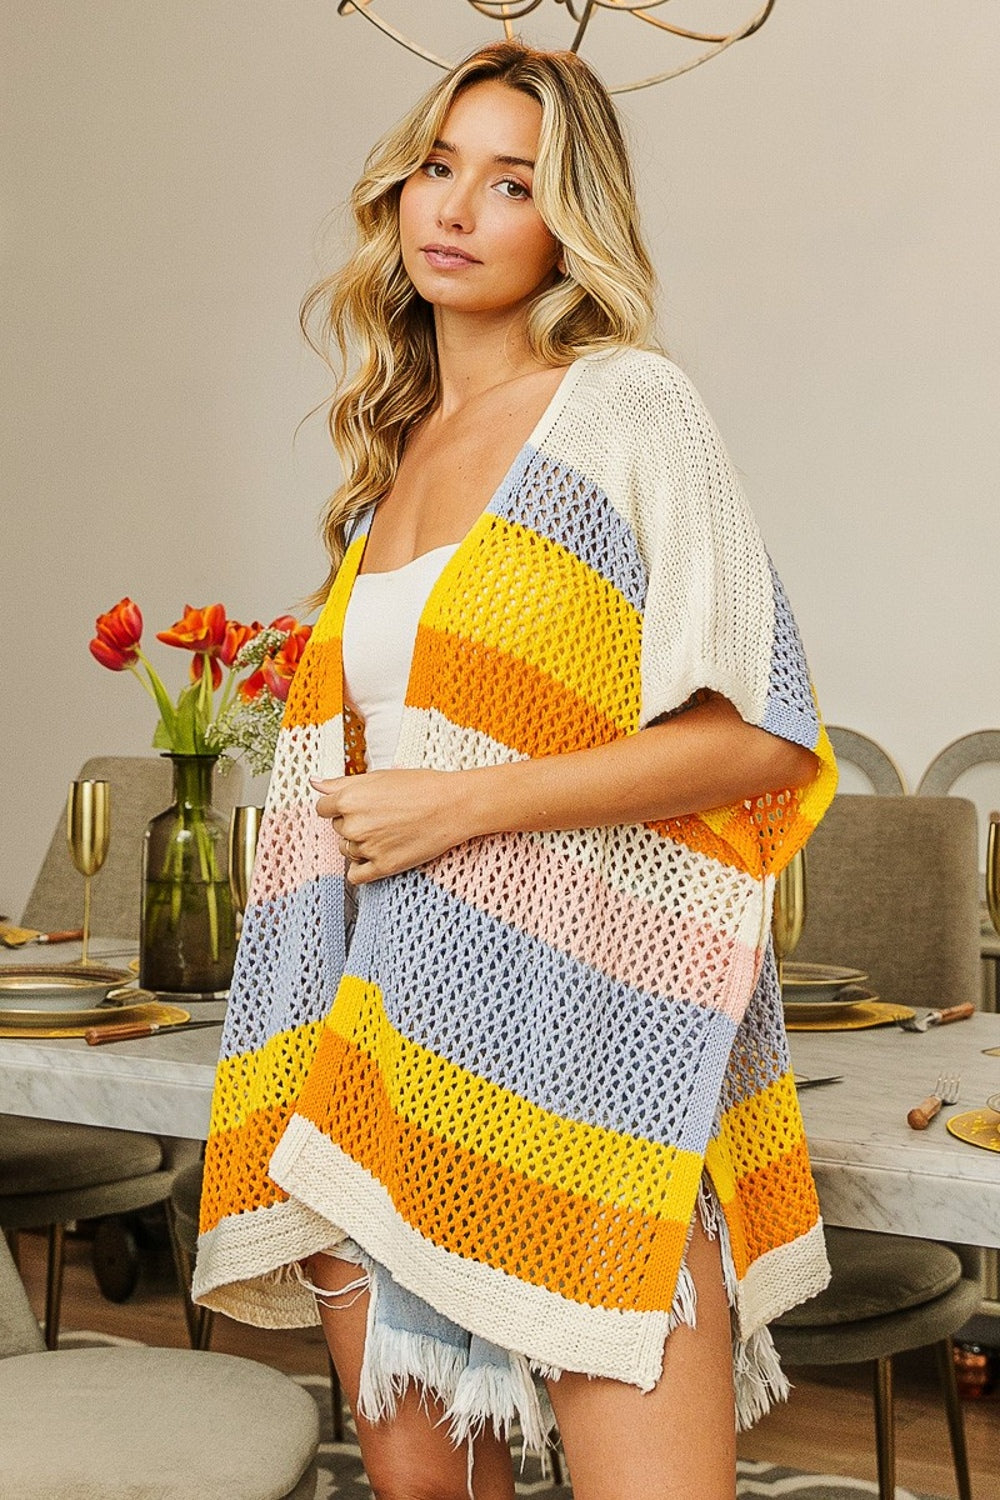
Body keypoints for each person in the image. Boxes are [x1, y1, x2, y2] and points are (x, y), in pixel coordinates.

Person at [193, 40, 837, 1500]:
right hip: (380, 1055)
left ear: (570, 223)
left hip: (585, 1055)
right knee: (429, 1496)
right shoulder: (393, 457)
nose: (457, 209)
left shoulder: (625, 410)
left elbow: (762, 733)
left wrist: (458, 805)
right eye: (439, 167)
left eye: (512, 182)